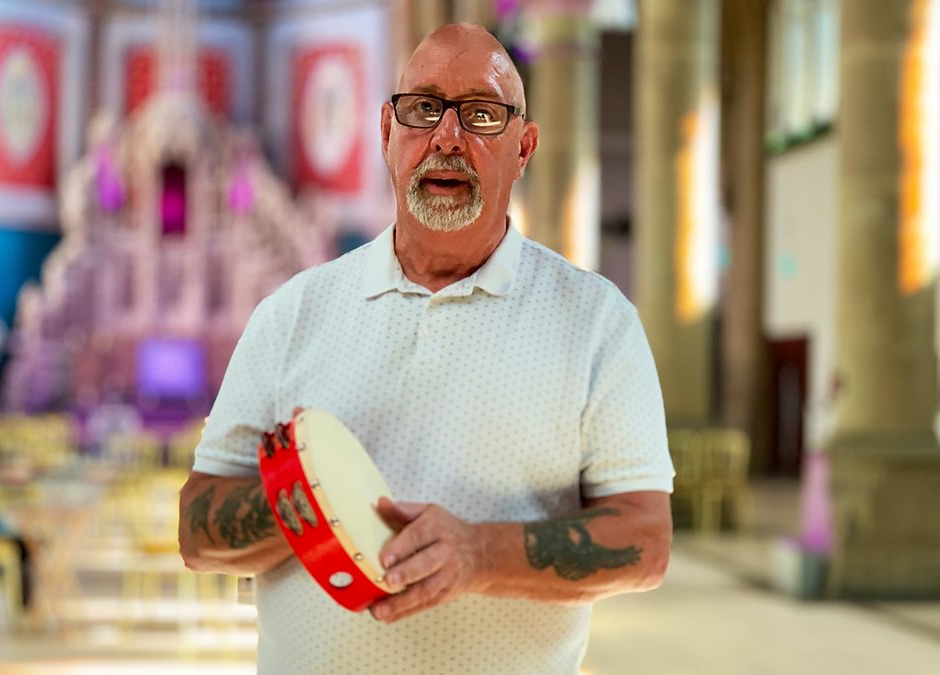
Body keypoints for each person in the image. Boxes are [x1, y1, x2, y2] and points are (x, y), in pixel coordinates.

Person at [179, 23, 674, 673]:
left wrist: (478, 553)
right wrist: (326, 503)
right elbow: (198, 530)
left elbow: (645, 541)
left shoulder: (595, 322)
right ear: (388, 132)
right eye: (423, 108)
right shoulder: (293, 313)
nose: (447, 136)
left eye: (482, 114)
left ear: (524, 147)